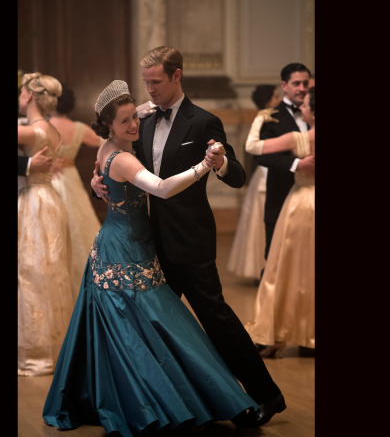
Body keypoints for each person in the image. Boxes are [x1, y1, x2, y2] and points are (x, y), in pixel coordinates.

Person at [43, 80, 257, 437]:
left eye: (134, 118)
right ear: (108, 125)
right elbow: (161, 188)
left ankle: (165, 395)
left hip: (128, 244)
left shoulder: (107, 147)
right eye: (124, 121)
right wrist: (204, 166)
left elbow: (138, 114)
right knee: (152, 326)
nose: (133, 126)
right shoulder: (124, 157)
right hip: (125, 250)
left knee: (151, 326)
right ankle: (159, 400)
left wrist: (100, 179)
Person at [91, 46, 285, 428]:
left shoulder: (203, 122)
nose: (150, 90)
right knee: (161, 327)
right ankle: (174, 403)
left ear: (177, 76)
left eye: (156, 82)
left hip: (190, 240)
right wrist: (98, 181)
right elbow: (118, 161)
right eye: (145, 82)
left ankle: (268, 395)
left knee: (216, 320)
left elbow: (236, 176)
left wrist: (220, 162)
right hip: (146, 243)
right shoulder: (141, 121)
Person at [244, 87, 315, 359]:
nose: (302, 107)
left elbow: (253, 146)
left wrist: (261, 118)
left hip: (301, 207)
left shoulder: (299, 139)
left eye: (306, 104)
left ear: (311, 111)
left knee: (286, 270)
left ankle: (276, 334)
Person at [17, 72, 74, 376]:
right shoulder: (50, 129)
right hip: (50, 200)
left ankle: (36, 353)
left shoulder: (29, 132)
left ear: (27, 96)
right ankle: (56, 345)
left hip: (35, 204)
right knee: (51, 273)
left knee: (31, 275)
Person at [49, 87, 106, 301]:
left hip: (49, 179)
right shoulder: (77, 128)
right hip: (70, 177)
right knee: (79, 227)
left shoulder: (41, 126)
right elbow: (103, 141)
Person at [255, 63, 315, 265]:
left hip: (311, 200)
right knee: (276, 260)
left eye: (305, 83)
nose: (302, 88)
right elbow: (259, 156)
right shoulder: (270, 116)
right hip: (281, 197)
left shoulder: (312, 111)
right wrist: (297, 164)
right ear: (284, 86)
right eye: (296, 83)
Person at [226, 84, 281, 280]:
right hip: (267, 174)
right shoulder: (266, 120)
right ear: (267, 101)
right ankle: (263, 267)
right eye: (276, 96)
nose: (279, 99)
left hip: (271, 172)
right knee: (262, 222)